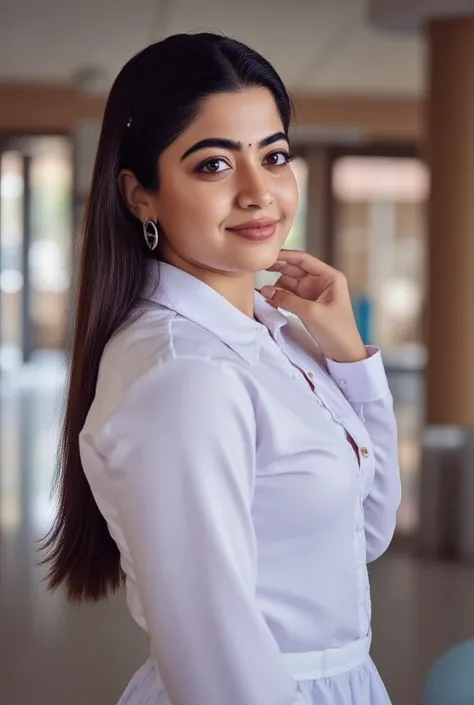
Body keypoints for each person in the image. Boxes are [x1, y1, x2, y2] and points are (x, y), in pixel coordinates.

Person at [43, 32, 401, 705]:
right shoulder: (186, 377)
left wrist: (350, 357)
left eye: (274, 155)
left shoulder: (279, 336)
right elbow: (215, 666)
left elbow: (370, 529)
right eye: (212, 165)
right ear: (140, 194)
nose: (258, 191)